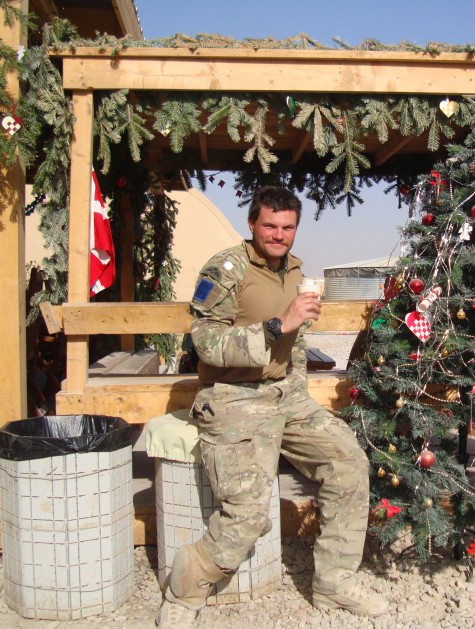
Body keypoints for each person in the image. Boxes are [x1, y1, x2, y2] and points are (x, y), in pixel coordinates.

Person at [158, 186, 387, 627]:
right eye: (269, 226)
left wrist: (293, 382)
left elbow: (295, 345)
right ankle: (184, 592)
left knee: (348, 462)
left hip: (287, 396)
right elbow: (205, 342)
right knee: (246, 512)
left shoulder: (295, 269)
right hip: (233, 397)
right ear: (252, 224)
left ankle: (334, 584)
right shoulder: (227, 268)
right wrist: (277, 325)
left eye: (287, 227)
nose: (279, 235)